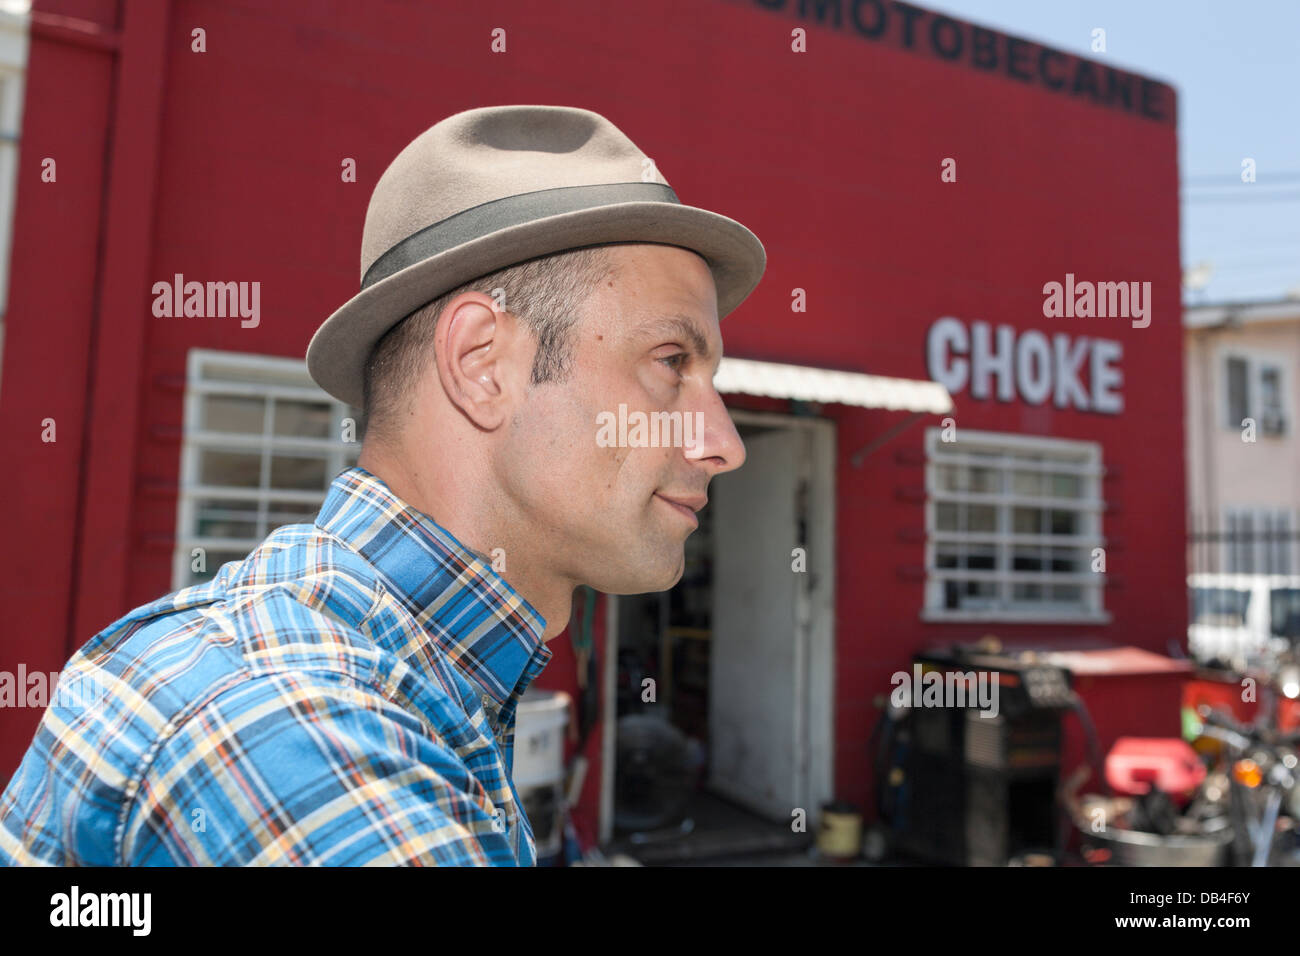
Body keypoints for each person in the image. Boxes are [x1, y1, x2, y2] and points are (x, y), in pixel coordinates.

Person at [0, 104, 765, 866]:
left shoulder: (396, 681)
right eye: (672, 363)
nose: (723, 444)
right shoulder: (299, 734)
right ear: (481, 364)